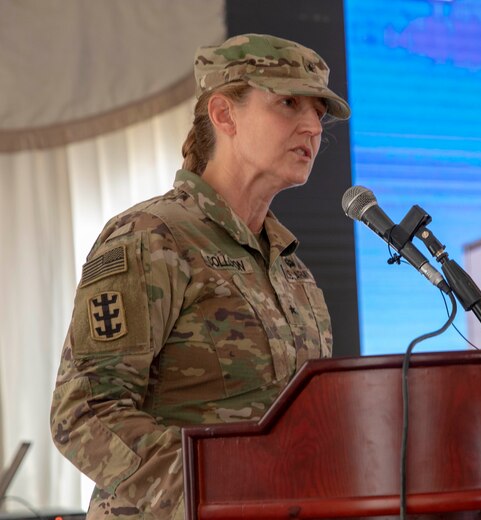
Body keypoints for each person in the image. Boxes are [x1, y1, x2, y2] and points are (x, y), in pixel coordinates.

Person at [49, 33, 350, 519]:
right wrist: (216, 494)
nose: (313, 126)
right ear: (223, 114)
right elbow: (85, 413)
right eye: (289, 103)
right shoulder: (151, 237)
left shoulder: (295, 273)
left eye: (319, 111)